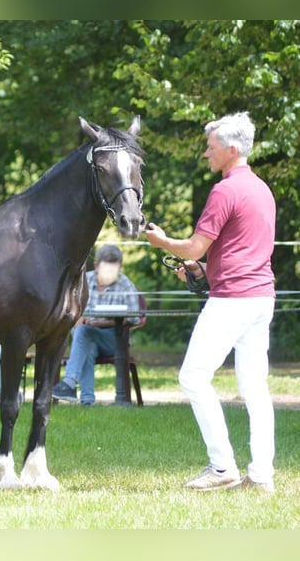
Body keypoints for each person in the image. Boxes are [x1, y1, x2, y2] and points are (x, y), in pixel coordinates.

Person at [145, 112, 276, 493]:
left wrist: (164, 242)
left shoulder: (225, 190)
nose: (206, 153)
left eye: (211, 147)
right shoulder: (262, 189)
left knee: (192, 376)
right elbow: (240, 249)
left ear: (231, 150)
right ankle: (261, 476)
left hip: (232, 299)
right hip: (260, 296)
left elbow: (194, 245)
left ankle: (222, 468)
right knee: (256, 389)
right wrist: (203, 269)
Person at [51, 244, 140, 406]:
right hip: (86, 337)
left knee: (85, 332)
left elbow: (134, 317)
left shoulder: (125, 284)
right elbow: (67, 308)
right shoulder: (83, 280)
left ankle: (69, 383)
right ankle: (87, 401)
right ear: (97, 265)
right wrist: (76, 318)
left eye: (115, 268)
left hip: (114, 339)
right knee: (87, 340)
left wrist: (99, 323)